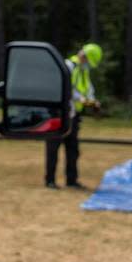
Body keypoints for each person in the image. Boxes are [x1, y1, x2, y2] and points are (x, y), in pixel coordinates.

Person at [46, 42, 102, 189]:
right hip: (58, 113)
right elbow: (66, 88)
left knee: (73, 149)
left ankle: (72, 180)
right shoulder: (67, 67)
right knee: (53, 147)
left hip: (73, 115)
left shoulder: (83, 71)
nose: (89, 65)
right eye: (89, 62)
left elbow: (87, 88)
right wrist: (80, 99)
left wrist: (93, 100)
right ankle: (50, 180)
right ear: (84, 57)